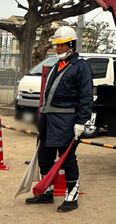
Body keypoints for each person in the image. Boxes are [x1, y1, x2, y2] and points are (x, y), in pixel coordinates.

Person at [25, 26, 93, 213]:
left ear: (71, 44)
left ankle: (72, 195)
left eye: (62, 45)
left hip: (67, 120)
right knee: (45, 156)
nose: (58, 48)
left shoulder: (81, 67)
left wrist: (81, 121)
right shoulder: (57, 65)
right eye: (57, 45)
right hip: (49, 119)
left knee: (67, 159)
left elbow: (86, 97)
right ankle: (47, 191)